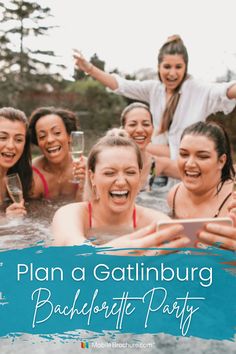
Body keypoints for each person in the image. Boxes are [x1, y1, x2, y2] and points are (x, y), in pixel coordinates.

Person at [74, 35, 236, 183]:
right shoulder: (155, 89)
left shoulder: (199, 90)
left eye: (178, 67)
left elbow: (226, 92)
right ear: (159, 67)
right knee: (128, 144)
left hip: (187, 164)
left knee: (131, 143)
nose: (172, 73)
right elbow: (120, 85)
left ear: (185, 68)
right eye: (167, 67)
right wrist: (89, 68)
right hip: (158, 169)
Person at [52, 131, 189, 253]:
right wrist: (114, 253)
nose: (121, 181)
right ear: (92, 177)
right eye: (110, 173)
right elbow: (69, 253)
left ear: (140, 175)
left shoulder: (154, 221)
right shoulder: (70, 214)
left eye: (130, 172)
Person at [167, 121, 236, 250]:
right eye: (184, 154)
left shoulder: (232, 202)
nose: (190, 164)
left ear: (221, 161)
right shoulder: (174, 194)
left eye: (202, 156)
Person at [29, 107, 86, 201]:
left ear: (69, 136)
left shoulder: (87, 168)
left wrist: (83, 187)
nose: (50, 140)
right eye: (42, 136)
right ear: (37, 142)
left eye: (57, 133)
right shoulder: (33, 175)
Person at [0, 107, 32, 216]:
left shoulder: (21, 175)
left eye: (18, 140)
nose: (10, 146)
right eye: (2, 137)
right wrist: (6, 220)